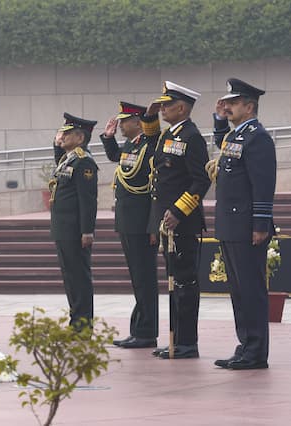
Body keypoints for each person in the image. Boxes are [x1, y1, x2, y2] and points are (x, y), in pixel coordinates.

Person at [211, 78, 276, 370]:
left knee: (251, 289)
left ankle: (256, 351)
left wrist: (260, 224)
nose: (228, 106)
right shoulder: (236, 136)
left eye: (234, 103)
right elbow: (225, 149)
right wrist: (218, 119)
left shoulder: (257, 137)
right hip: (231, 223)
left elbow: (263, 185)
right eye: (228, 102)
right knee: (238, 290)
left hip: (248, 224)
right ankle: (245, 345)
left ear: (249, 107)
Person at [149, 81, 211, 359]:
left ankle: (187, 342)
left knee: (185, 283)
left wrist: (178, 210)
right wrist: (149, 118)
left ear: (182, 107)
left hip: (182, 222)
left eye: (166, 104)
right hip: (167, 221)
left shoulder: (191, 136)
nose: (162, 108)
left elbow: (201, 179)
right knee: (173, 281)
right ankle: (176, 338)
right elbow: (155, 157)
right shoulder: (168, 135)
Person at [100, 102, 159, 348]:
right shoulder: (131, 145)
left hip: (141, 223)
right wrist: (108, 138)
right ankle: (138, 328)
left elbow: (155, 188)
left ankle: (146, 332)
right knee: (137, 278)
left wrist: (153, 225)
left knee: (145, 278)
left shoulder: (149, 144)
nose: (121, 125)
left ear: (138, 122)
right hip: (127, 220)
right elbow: (118, 158)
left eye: (125, 121)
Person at [50, 112, 98, 330]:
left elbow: (88, 201)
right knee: (70, 277)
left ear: (80, 138)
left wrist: (87, 231)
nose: (62, 137)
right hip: (64, 228)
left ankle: (83, 325)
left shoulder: (84, 162)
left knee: (79, 277)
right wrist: (56, 144)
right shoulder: (68, 159)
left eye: (67, 134)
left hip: (75, 230)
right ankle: (75, 321)